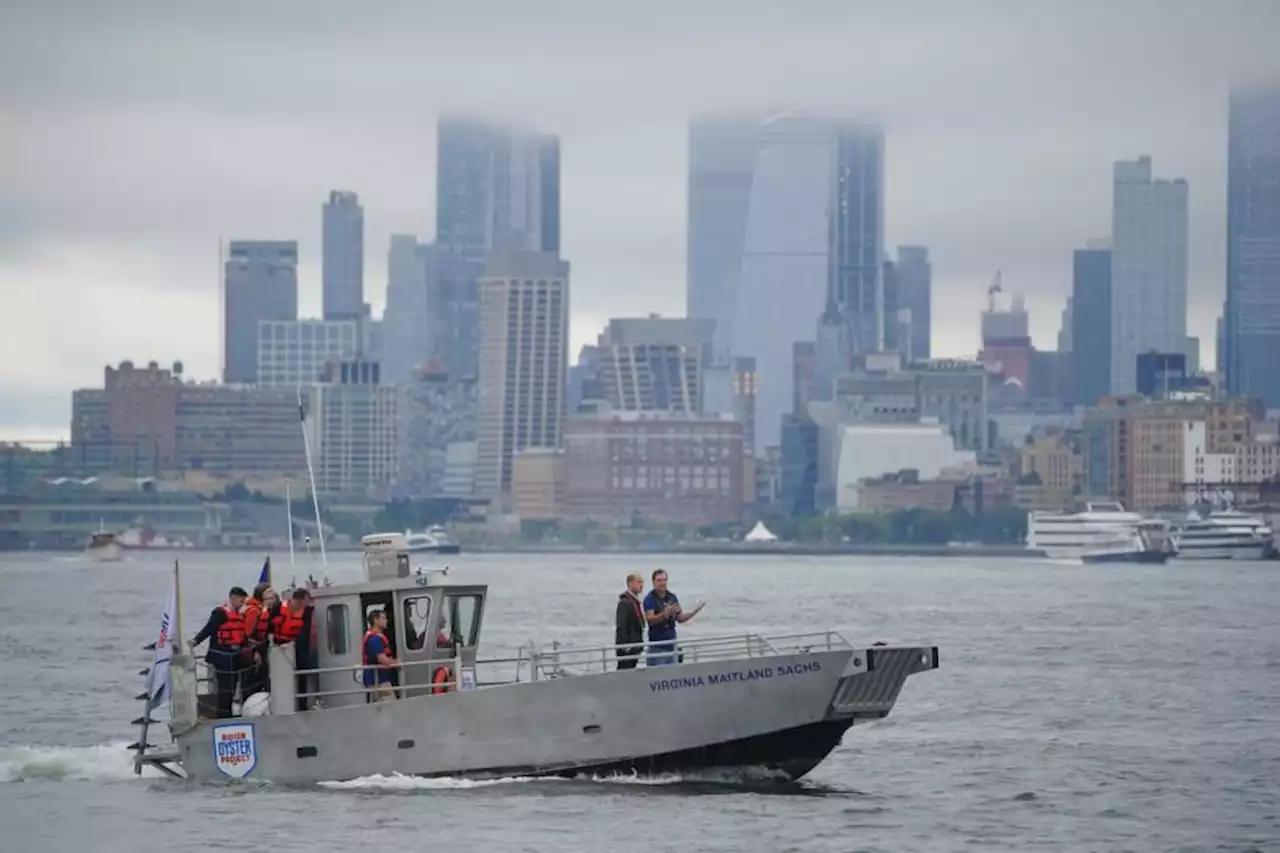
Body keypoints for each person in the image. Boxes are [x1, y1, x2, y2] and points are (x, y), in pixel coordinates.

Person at [191, 586, 249, 718]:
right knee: (225, 688)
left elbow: (242, 635)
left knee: (233, 687)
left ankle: (230, 711)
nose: (242, 604)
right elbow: (208, 629)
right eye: (241, 601)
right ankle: (224, 715)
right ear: (233, 598)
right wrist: (195, 642)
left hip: (234, 656)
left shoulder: (239, 615)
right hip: (221, 656)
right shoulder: (220, 613)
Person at [642, 570, 704, 667]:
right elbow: (650, 619)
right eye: (659, 580)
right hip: (657, 647)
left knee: (673, 677)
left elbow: (680, 618)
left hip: (672, 645)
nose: (662, 583)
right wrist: (665, 615)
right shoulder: (650, 599)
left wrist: (694, 612)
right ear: (653, 582)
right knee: (658, 678)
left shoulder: (671, 597)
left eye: (664, 580)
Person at [274, 588, 314, 710]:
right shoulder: (279, 608)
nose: (308, 603)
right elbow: (271, 626)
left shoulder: (307, 612)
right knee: (282, 678)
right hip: (279, 648)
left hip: (299, 647)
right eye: (306, 600)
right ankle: (281, 705)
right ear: (300, 600)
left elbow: (305, 631)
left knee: (302, 674)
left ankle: (302, 705)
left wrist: (294, 643)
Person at [241, 585, 277, 696]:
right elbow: (248, 633)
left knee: (264, 677)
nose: (272, 598)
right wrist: (254, 651)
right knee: (253, 680)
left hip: (264, 647)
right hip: (255, 650)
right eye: (268, 595)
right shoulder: (254, 611)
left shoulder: (266, 610)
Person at [362, 610, 401, 702]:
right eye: (383, 618)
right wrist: (397, 662)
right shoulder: (374, 639)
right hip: (378, 682)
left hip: (380, 680)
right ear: (376, 620)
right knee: (391, 706)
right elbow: (381, 659)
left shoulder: (377, 636)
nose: (386, 620)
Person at [614, 573, 645, 670]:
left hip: (635, 645)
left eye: (642, 582)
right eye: (639, 582)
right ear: (630, 583)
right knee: (624, 670)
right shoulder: (625, 602)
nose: (641, 585)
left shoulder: (634, 601)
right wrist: (624, 646)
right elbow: (621, 625)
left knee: (630, 670)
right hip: (628, 647)